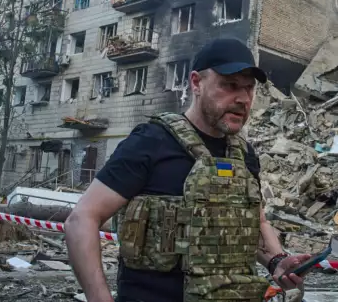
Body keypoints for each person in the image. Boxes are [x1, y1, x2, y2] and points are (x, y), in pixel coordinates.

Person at [66, 38, 311, 302]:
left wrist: (277, 261)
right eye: (230, 85)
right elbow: (81, 219)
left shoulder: (244, 155)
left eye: (249, 88)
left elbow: (256, 221)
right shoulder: (151, 141)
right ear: (196, 83)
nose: (243, 99)